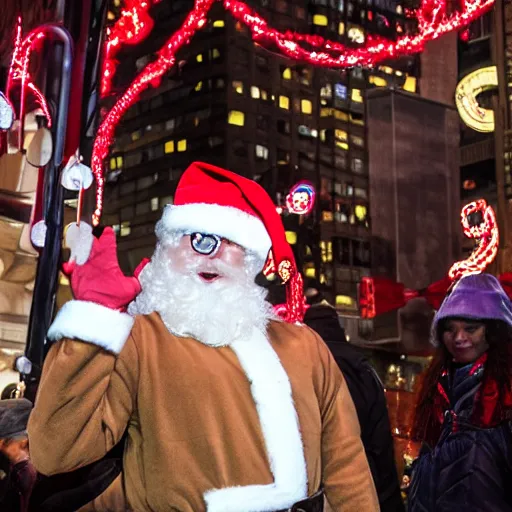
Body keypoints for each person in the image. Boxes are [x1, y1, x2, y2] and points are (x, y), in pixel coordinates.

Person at [28, 162, 379, 511]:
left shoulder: (304, 346)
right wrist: (94, 318)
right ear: (168, 249)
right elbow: (56, 450)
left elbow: (347, 467)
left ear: (252, 259)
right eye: (200, 239)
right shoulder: (142, 340)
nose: (215, 256)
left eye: (233, 243)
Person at [408, 273, 512, 511]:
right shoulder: (437, 393)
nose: (459, 338)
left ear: (494, 330)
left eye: (471, 328)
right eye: (450, 329)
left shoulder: (506, 394)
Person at [303, 284, 404, 512]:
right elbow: (380, 441)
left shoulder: (311, 370)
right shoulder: (364, 369)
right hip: (374, 486)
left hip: (334, 493)